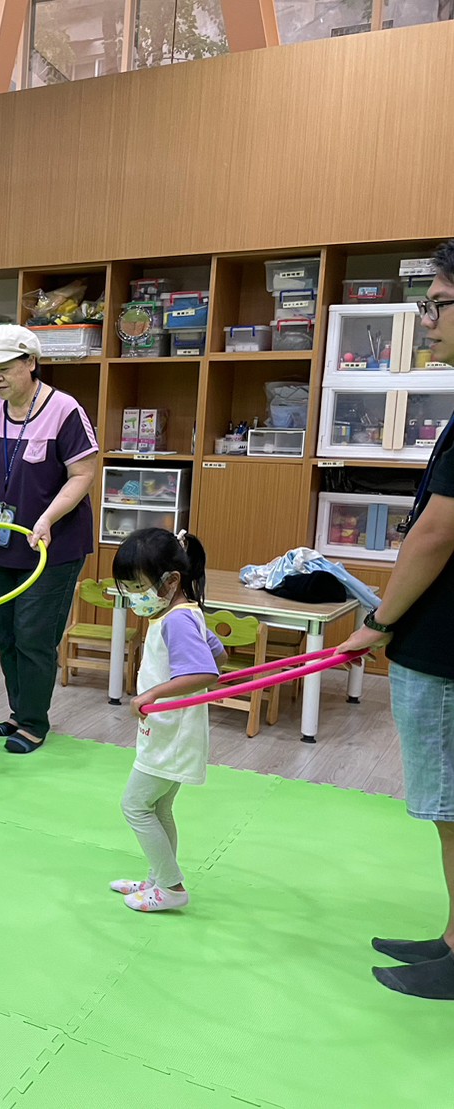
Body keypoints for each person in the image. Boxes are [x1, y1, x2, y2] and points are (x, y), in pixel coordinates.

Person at [338, 238, 454, 999]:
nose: (429, 321)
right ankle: (450, 936)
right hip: (437, 639)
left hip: (444, 647)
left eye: (438, 304)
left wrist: (376, 622)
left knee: (450, 805)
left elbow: (436, 532)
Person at [0, 323, 100, 754]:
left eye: (5, 368)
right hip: (0, 542)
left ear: (31, 363)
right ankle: (19, 713)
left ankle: (34, 723)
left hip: (50, 545)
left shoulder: (64, 410)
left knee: (36, 634)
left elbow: (83, 475)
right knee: (7, 632)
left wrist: (48, 518)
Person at [111, 528, 224, 913]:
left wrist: (154, 693)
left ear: (171, 581)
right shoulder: (181, 612)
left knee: (135, 806)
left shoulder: (176, 620)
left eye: (137, 587)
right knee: (158, 809)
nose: (132, 596)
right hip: (170, 730)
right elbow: (217, 654)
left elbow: (208, 672)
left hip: (172, 734)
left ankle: (172, 888)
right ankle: (159, 879)